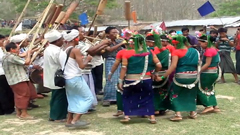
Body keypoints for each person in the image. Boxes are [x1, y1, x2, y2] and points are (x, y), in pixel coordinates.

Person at [118, 34, 161, 124]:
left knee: (128, 97)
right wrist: (155, 73)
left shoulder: (127, 52)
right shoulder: (149, 52)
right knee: (148, 97)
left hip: (131, 79)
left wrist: (120, 80)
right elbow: (158, 65)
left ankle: (127, 116)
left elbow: (124, 68)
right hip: (146, 79)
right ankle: (152, 117)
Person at [157, 35, 199, 121]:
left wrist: (162, 77)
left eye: (175, 44)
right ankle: (192, 112)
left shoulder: (176, 52)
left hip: (181, 76)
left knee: (174, 93)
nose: (174, 46)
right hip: (194, 76)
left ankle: (178, 114)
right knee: (190, 94)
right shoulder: (195, 51)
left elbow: (173, 66)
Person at [59, 29, 93, 128]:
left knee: (73, 99)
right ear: (75, 39)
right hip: (75, 78)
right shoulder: (75, 50)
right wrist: (88, 59)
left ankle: (69, 120)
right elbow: (82, 66)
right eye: (78, 37)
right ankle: (75, 120)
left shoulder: (63, 50)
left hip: (67, 78)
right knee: (88, 98)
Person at [2, 42, 38, 120]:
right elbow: (27, 62)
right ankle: (24, 114)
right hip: (19, 79)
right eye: (17, 49)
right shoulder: (11, 57)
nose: (19, 51)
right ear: (12, 49)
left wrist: (31, 51)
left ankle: (19, 112)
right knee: (24, 96)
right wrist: (28, 54)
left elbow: (21, 55)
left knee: (18, 96)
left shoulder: (6, 56)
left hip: (13, 80)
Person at [44, 30, 68, 122]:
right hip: (58, 76)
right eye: (62, 39)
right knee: (60, 97)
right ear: (57, 41)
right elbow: (63, 63)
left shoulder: (48, 49)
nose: (63, 41)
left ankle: (53, 114)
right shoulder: (57, 51)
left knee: (55, 97)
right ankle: (58, 116)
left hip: (52, 75)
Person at [102, 27, 126, 107]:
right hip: (110, 60)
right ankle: (107, 98)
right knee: (110, 78)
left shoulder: (119, 40)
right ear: (108, 34)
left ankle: (116, 98)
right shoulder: (105, 42)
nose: (116, 34)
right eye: (113, 32)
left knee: (119, 78)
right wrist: (121, 43)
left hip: (119, 61)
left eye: (116, 32)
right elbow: (110, 50)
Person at [197, 35, 221, 114]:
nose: (199, 45)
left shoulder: (209, 51)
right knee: (210, 89)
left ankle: (208, 106)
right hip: (214, 72)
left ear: (206, 43)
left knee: (201, 89)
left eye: (200, 43)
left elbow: (207, 64)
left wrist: (199, 71)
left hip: (208, 73)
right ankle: (215, 106)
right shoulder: (214, 49)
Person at [0, 35, 14, 115]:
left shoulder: (1, 49)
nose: (3, 42)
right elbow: (4, 59)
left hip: (3, 73)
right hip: (2, 74)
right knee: (4, 92)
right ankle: (7, 109)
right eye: (2, 41)